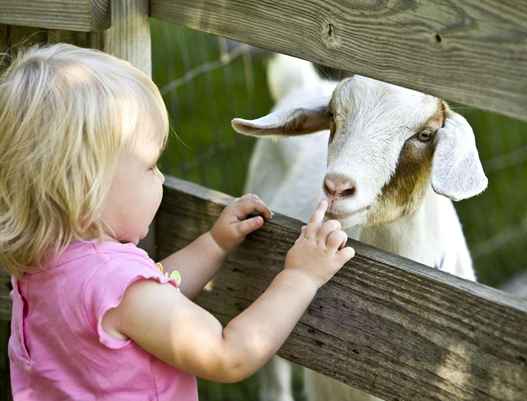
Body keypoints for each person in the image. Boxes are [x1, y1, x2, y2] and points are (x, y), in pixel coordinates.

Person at [0, 43, 355, 401]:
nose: (161, 178)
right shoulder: (119, 291)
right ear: (87, 187)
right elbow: (227, 354)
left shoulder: (45, 267)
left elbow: (152, 298)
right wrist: (300, 276)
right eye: (151, 165)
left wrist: (213, 245)